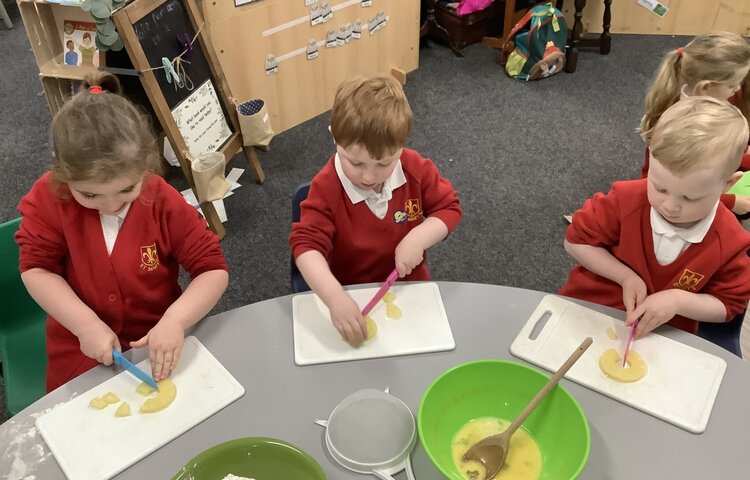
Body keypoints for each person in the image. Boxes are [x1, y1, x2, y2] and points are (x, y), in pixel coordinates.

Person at [16, 72, 229, 391]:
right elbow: (37, 269)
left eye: (127, 189)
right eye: (89, 195)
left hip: (158, 342)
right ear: (62, 176)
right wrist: (85, 324)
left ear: (146, 167)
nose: (111, 205)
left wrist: (176, 320)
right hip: (81, 346)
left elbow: (212, 270)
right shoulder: (48, 199)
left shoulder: (162, 200)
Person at [289, 75, 462, 347]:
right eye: (355, 162)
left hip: (408, 289)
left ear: (401, 146)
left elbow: (449, 208)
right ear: (334, 137)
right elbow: (305, 246)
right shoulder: (326, 187)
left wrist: (419, 237)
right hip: (351, 294)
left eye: (384, 164)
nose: (369, 177)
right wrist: (335, 297)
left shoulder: (415, 169)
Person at [560, 97, 750, 340]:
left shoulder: (730, 241)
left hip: (661, 337)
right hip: (588, 310)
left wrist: (678, 301)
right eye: (659, 188)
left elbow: (729, 304)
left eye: (689, 198)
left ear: (728, 185)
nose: (670, 206)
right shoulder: (625, 199)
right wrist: (625, 276)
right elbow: (575, 241)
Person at [639, 31, 750, 214]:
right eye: (732, 85)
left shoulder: (714, 96)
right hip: (678, 194)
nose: (737, 89)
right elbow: (687, 189)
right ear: (706, 87)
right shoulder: (682, 126)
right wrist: (730, 202)